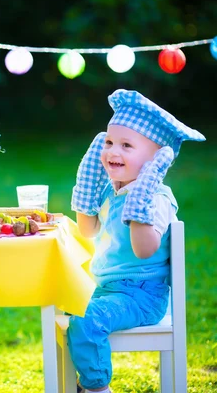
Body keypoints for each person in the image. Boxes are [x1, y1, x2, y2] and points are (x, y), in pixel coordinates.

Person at [69, 89, 205, 393]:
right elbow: (87, 230)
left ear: (155, 161)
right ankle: (77, 379)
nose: (113, 152)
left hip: (142, 296)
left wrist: (141, 193)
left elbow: (144, 250)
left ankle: (95, 387)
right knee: (66, 303)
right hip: (106, 289)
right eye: (109, 143)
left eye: (126, 145)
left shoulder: (157, 200)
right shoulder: (111, 190)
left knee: (87, 320)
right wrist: (87, 189)